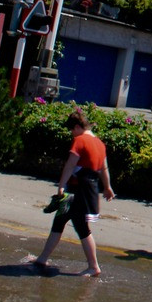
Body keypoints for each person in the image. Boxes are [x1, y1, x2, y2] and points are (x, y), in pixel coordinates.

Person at [33, 111, 116, 276]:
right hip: (89, 190)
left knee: (80, 227)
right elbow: (103, 169)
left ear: (77, 127)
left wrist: (60, 187)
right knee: (61, 221)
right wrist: (107, 187)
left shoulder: (79, 141)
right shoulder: (99, 143)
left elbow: (70, 166)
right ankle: (42, 259)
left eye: (72, 130)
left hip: (77, 191)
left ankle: (93, 267)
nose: (72, 134)